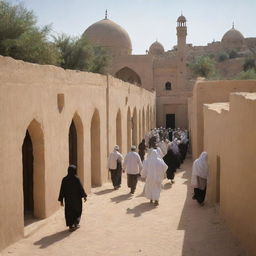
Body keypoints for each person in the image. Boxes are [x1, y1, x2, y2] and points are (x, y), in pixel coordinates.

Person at [58, 165, 87, 232]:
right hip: (77, 200)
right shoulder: (76, 179)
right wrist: (84, 196)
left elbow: (62, 190)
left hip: (68, 200)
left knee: (69, 212)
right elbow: (80, 188)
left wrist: (61, 200)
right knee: (77, 211)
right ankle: (75, 223)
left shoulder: (64, 179)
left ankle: (71, 225)